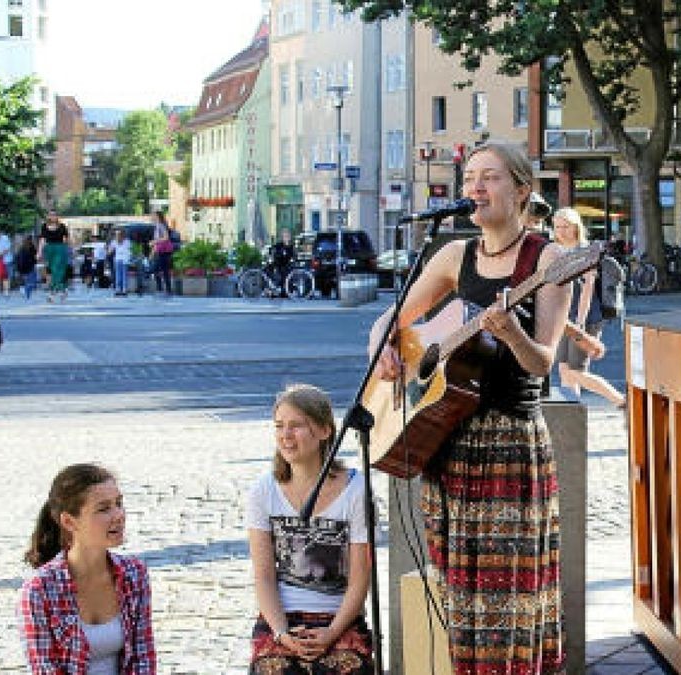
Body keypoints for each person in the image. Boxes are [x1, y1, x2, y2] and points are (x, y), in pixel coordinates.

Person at [368, 140, 571, 672]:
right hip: (445, 440)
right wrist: (383, 349)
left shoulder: (548, 260)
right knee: (459, 598)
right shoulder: (453, 254)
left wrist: (512, 335)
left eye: (490, 177)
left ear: (522, 189)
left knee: (508, 600)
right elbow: (387, 322)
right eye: (469, 178)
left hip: (509, 442)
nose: (475, 188)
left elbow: (543, 360)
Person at [245, 383, 375, 673]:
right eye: (279, 426)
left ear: (325, 431)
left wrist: (331, 632)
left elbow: (359, 580)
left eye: (296, 426)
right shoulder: (263, 492)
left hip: (339, 617)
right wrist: (281, 633)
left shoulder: (355, 490)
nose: (285, 436)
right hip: (283, 618)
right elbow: (264, 576)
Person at [17, 463, 156, 673]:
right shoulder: (38, 590)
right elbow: (45, 668)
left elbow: (143, 658)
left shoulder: (134, 574)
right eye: (104, 509)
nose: (118, 515)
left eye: (118, 503)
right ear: (69, 522)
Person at [551, 207, 625, 407]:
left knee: (577, 370)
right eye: (557, 227)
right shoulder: (556, 251)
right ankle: (572, 410)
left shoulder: (586, 251)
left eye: (565, 226)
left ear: (576, 227)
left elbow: (588, 288)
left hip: (586, 317)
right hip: (564, 318)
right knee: (565, 369)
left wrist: (580, 321)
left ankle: (620, 401)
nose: (561, 231)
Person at [39, 211, 71, 302]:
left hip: (60, 249)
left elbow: (67, 240)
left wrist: (70, 251)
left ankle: (52, 293)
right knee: (52, 271)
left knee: (57, 270)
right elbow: (42, 240)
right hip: (49, 249)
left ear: (57, 216)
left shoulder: (62, 226)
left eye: (55, 215)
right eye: (51, 215)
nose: (53, 216)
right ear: (48, 216)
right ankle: (62, 290)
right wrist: (39, 252)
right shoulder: (44, 226)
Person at [150, 212, 174, 297]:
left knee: (159, 270)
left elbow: (166, 237)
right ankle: (166, 289)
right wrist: (152, 252)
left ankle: (163, 289)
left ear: (158, 217)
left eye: (153, 216)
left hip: (164, 252)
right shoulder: (157, 227)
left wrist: (154, 242)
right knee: (162, 271)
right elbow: (158, 242)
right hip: (161, 251)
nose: (151, 217)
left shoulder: (161, 225)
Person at [15, 235, 39, 300]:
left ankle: (25, 290)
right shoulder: (32, 247)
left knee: (26, 280)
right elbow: (35, 256)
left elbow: (17, 258)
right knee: (31, 280)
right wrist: (35, 262)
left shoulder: (21, 248)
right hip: (30, 266)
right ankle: (27, 292)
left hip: (22, 267)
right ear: (31, 240)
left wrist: (18, 267)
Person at [109, 230, 132, 296]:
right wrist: (109, 249)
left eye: (119, 234)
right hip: (117, 259)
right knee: (118, 275)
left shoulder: (127, 241)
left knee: (124, 275)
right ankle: (118, 290)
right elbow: (110, 251)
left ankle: (124, 290)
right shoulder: (114, 242)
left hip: (125, 260)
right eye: (116, 234)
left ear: (122, 235)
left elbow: (130, 249)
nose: (117, 236)